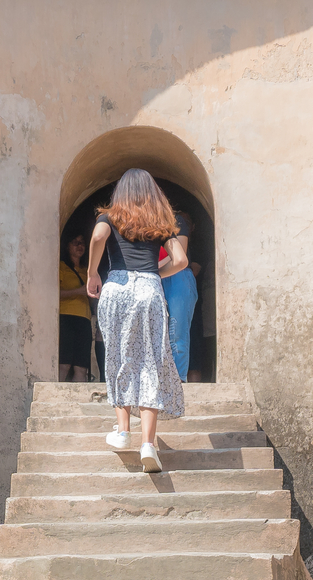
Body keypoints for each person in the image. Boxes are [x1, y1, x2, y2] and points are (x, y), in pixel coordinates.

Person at [87, 168, 188, 474]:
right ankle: (148, 443)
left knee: (119, 356)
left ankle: (122, 431)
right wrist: (155, 274)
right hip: (148, 289)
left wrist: (93, 273)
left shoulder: (110, 216)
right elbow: (181, 260)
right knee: (150, 361)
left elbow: (98, 237)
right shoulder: (160, 221)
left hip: (116, 287)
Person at [160, 210, 201, 383]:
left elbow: (180, 254)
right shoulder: (144, 224)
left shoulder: (176, 221)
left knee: (177, 331)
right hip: (157, 277)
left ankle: (176, 384)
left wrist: (147, 268)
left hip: (178, 277)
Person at [58, 230, 94, 382]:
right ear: (67, 247)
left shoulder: (88, 270)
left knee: (81, 367)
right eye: (75, 243)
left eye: (82, 243)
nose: (80, 246)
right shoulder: (61, 267)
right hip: (66, 317)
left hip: (84, 319)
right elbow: (54, 294)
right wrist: (79, 291)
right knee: (63, 364)